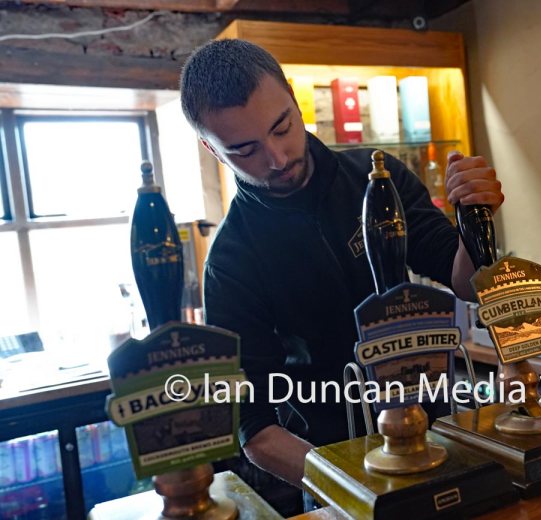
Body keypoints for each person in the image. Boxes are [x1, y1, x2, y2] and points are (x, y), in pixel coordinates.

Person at [179, 39, 504, 489]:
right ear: (212, 150)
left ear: (293, 97)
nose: (277, 158)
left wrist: (475, 216)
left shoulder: (376, 180)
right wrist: (352, 488)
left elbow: (466, 282)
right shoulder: (232, 261)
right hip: (331, 455)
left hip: (437, 432)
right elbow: (253, 427)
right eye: (244, 149)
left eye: (281, 127)